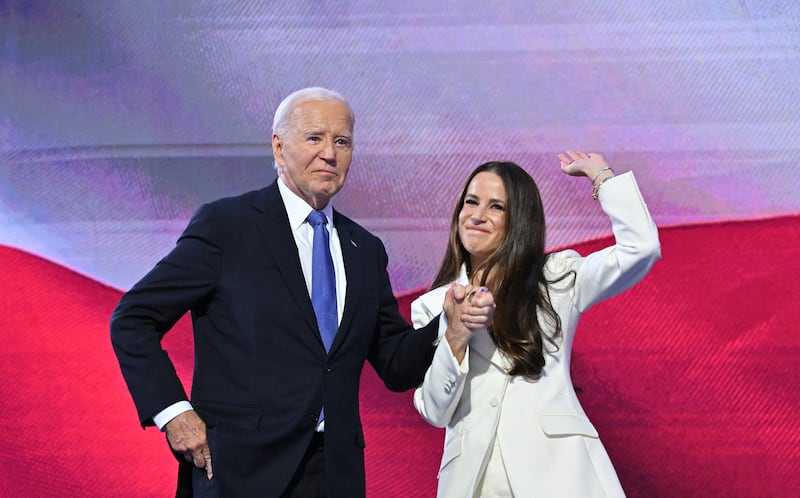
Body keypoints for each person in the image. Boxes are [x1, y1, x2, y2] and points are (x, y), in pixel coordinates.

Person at [110, 86, 495, 498]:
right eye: (315, 138)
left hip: (333, 473)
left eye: (342, 141)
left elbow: (396, 363)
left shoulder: (364, 249)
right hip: (239, 470)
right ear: (279, 147)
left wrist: (449, 326)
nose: (329, 153)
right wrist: (174, 412)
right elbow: (133, 318)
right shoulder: (228, 226)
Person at [411, 152, 661, 497]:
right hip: (476, 483)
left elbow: (641, 248)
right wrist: (455, 334)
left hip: (559, 475)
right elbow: (434, 410)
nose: (478, 216)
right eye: (472, 202)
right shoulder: (430, 306)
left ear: (520, 220)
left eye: (496, 207)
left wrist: (600, 175)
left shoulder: (557, 277)